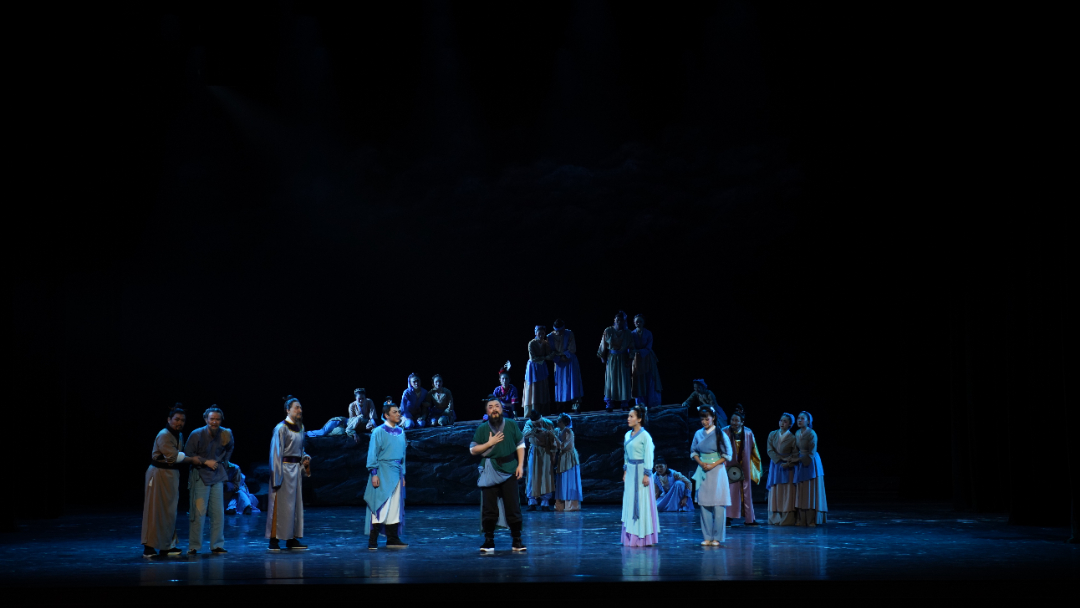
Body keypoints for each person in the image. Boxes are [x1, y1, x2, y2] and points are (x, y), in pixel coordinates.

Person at [471, 395, 526, 553]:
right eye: (490, 407)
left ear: (502, 409)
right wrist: (489, 443)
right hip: (490, 469)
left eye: (497, 406)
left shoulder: (511, 424)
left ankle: (517, 539)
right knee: (489, 508)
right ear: (487, 411)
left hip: (509, 468)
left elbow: (520, 444)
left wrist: (520, 465)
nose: (494, 409)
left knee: (513, 506)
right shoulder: (483, 429)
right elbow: (473, 449)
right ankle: (489, 540)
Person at [142, 405, 197, 557]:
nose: (179, 423)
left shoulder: (178, 435)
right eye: (176, 419)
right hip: (158, 473)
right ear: (169, 419)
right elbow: (173, 457)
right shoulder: (164, 435)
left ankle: (166, 545)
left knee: (169, 511)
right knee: (155, 510)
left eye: (182, 420)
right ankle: (149, 546)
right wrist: (193, 459)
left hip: (171, 474)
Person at [184, 406, 234, 554]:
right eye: (212, 419)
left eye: (217, 419)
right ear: (206, 419)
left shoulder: (225, 433)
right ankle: (194, 546)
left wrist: (224, 462)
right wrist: (205, 462)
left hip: (217, 476)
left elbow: (230, 447)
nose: (214, 422)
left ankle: (217, 545)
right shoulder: (196, 434)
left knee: (218, 513)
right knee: (198, 513)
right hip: (200, 476)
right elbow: (188, 455)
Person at [266, 396, 311, 551]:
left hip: (295, 471)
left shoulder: (300, 427)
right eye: (297, 407)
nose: (300, 410)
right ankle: (273, 540)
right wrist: (276, 477)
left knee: (294, 506)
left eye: (300, 407)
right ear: (288, 410)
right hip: (283, 470)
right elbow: (275, 453)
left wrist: (305, 459)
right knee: (280, 505)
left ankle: (292, 539)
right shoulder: (281, 428)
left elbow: (300, 450)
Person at [365, 401, 408, 550]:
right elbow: (372, 453)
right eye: (395, 412)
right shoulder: (378, 431)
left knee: (395, 507)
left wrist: (403, 475)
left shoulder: (401, 432)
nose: (398, 414)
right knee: (380, 505)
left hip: (396, 472)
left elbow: (403, 455)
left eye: (399, 411)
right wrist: (374, 473)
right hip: (383, 471)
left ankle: (392, 538)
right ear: (386, 415)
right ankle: (373, 539)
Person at [691, 406, 732, 546]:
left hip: (717, 470)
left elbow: (727, 454)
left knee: (718, 504)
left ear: (713, 418)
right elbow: (693, 452)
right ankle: (707, 536)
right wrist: (701, 463)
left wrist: (713, 465)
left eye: (707, 419)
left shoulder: (720, 434)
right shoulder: (698, 434)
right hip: (703, 470)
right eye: (702, 419)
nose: (704, 422)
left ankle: (717, 537)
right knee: (704, 504)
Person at [621, 405, 659, 546]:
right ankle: (630, 535)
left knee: (641, 502)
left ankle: (643, 537)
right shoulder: (627, 435)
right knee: (630, 501)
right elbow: (626, 454)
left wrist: (647, 474)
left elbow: (649, 455)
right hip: (631, 471)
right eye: (628, 416)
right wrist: (625, 470)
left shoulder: (645, 436)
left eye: (631, 416)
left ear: (639, 419)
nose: (628, 419)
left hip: (641, 471)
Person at [723, 405, 762, 526]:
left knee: (746, 489)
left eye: (737, 420)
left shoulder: (748, 433)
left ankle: (749, 518)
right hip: (729, 465)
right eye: (732, 420)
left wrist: (755, 466)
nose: (734, 423)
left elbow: (754, 450)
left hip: (744, 465)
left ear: (742, 422)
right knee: (730, 490)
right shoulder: (725, 431)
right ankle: (728, 517)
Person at [793, 411, 828, 526]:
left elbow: (812, 451)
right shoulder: (797, 433)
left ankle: (811, 519)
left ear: (808, 421)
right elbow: (796, 449)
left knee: (810, 490)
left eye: (802, 418)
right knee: (801, 489)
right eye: (798, 418)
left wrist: (802, 460)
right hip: (800, 461)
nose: (799, 420)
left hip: (810, 461)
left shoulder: (812, 433)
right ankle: (801, 518)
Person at [598, 311, 636, 410]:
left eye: (621, 320)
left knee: (624, 380)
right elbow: (603, 344)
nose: (619, 322)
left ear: (624, 321)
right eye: (618, 320)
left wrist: (630, 359)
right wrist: (602, 356)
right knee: (611, 380)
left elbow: (632, 347)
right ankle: (609, 403)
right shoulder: (608, 331)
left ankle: (625, 403)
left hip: (623, 358)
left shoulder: (628, 333)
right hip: (612, 358)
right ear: (615, 320)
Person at [766, 413, 798, 526]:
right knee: (775, 489)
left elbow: (795, 454)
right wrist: (779, 459)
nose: (782, 423)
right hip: (775, 465)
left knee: (786, 490)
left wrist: (788, 462)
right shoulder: (773, 434)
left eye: (785, 421)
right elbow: (769, 450)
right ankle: (774, 517)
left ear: (790, 424)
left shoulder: (792, 438)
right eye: (781, 420)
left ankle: (786, 518)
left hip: (786, 467)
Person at [523, 409, 557, 511]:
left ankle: (545, 502)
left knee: (546, 476)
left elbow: (553, 440)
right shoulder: (529, 424)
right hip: (535, 450)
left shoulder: (548, 423)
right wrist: (535, 431)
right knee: (532, 475)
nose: (537, 424)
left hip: (546, 451)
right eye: (535, 423)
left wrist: (553, 454)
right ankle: (532, 501)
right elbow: (525, 433)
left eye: (538, 422)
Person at [547, 320, 583, 413]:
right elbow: (549, 351)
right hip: (559, 363)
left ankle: (575, 406)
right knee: (560, 385)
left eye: (561, 330)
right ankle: (560, 408)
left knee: (573, 383)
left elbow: (572, 347)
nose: (559, 333)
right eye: (557, 331)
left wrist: (566, 356)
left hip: (570, 361)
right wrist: (557, 358)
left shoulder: (569, 333)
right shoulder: (550, 337)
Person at [631, 314, 662, 408]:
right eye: (637, 321)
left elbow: (648, 347)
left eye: (640, 321)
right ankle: (641, 403)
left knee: (650, 378)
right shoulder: (632, 334)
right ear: (634, 323)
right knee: (639, 380)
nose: (638, 323)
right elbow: (631, 346)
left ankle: (653, 402)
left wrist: (638, 351)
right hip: (637, 359)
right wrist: (634, 352)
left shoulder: (648, 333)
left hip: (648, 358)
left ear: (643, 323)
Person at [554, 413, 583, 511]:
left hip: (569, 457)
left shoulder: (569, 432)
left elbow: (563, 446)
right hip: (562, 457)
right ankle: (560, 505)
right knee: (562, 479)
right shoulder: (558, 430)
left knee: (569, 479)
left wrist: (554, 438)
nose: (557, 422)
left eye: (559, 421)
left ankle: (571, 505)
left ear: (564, 423)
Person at [524, 326, 552, 417]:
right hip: (533, 367)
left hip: (541, 366)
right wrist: (545, 357)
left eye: (543, 333)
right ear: (536, 333)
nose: (541, 335)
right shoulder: (531, 343)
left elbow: (549, 354)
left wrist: (550, 355)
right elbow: (533, 357)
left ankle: (543, 410)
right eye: (539, 333)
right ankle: (533, 411)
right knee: (534, 388)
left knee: (542, 387)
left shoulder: (545, 343)